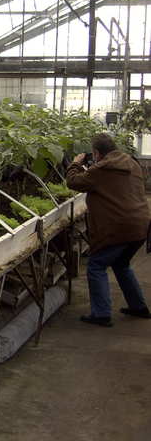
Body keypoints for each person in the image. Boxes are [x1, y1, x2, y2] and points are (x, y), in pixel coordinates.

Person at [66, 133, 150, 327]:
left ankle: (101, 314)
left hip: (118, 227)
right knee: (121, 264)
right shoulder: (132, 163)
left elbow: (73, 182)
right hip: (141, 226)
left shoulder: (103, 168)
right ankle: (138, 307)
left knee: (96, 265)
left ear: (96, 153)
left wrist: (75, 164)